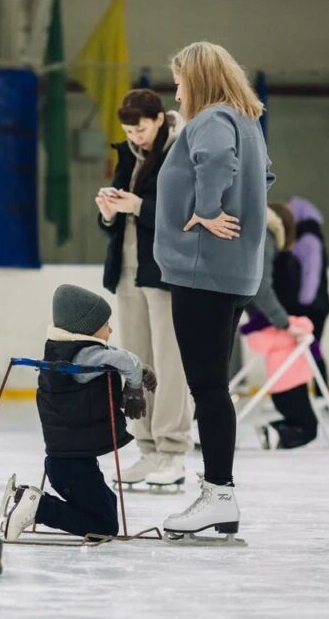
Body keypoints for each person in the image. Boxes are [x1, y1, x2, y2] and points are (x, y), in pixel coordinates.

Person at [155, 41, 274, 541]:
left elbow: (217, 160)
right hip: (233, 273)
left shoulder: (211, 120)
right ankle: (218, 494)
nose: (177, 90)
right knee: (211, 385)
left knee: (206, 386)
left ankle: (218, 495)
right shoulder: (247, 121)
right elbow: (265, 175)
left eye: (180, 80)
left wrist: (206, 207)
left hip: (202, 270)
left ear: (197, 80)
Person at [0, 285, 157, 541]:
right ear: (87, 327)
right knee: (104, 526)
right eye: (106, 324)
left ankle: (28, 500)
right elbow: (125, 360)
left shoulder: (67, 352)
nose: (111, 330)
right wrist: (135, 381)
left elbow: (117, 359)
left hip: (69, 461)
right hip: (70, 465)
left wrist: (137, 372)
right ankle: (37, 506)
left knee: (107, 503)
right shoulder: (86, 356)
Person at [96, 89, 191, 491]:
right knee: (135, 364)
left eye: (140, 129)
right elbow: (120, 218)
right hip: (128, 270)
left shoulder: (178, 152)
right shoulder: (128, 155)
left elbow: (184, 213)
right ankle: (147, 448)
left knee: (169, 363)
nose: (135, 137)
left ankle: (173, 451)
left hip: (166, 271)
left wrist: (137, 206)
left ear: (158, 121)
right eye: (128, 130)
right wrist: (108, 213)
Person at [239, 204, 319, 449]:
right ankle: (283, 429)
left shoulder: (256, 237)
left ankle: (279, 429)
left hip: (264, 322)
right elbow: (263, 288)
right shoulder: (269, 242)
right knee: (308, 427)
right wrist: (283, 321)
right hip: (275, 324)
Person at [288, 195, 329, 389]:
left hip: (312, 306)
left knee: (311, 350)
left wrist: (303, 304)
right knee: (309, 350)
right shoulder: (310, 236)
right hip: (316, 304)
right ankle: (314, 394)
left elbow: (311, 274)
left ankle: (321, 394)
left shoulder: (308, 239)